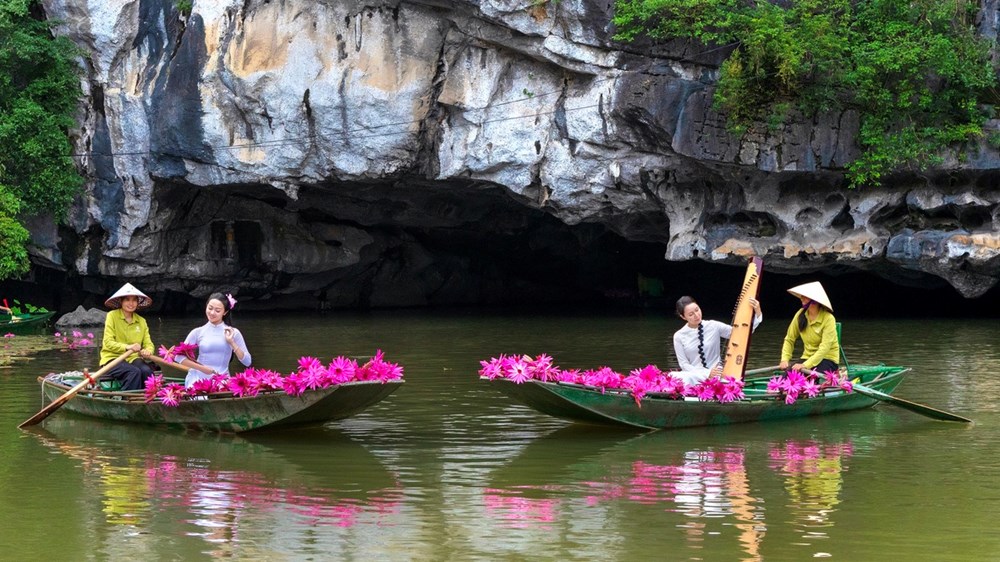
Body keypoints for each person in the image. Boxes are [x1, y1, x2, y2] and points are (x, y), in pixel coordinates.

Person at [673, 295, 762, 384]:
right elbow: (684, 364)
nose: (696, 315)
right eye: (691, 314)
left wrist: (757, 312)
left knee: (730, 381)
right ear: (683, 317)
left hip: (717, 373)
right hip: (694, 376)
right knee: (675, 376)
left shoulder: (713, 325)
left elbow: (741, 334)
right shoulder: (679, 336)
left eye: (697, 310)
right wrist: (706, 373)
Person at [175, 292, 252, 387]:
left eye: (217, 310)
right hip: (198, 379)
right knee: (200, 396)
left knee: (221, 391)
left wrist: (232, 342)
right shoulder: (197, 332)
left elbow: (247, 362)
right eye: (210, 308)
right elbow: (178, 357)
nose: (212, 313)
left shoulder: (233, 332)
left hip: (222, 380)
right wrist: (202, 368)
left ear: (225, 312)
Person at [100, 283, 156, 391]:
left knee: (146, 371)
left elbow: (148, 343)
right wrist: (127, 347)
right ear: (121, 301)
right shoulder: (112, 316)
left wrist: (148, 351)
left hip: (133, 358)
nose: (131, 303)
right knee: (133, 372)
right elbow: (108, 342)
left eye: (134, 300)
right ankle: (127, 400)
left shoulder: (142, 321)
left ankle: (148, 399)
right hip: (112, 358)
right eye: (127, 300)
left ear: (138, 302)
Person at [779, 281, 839, 374]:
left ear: (814, 300)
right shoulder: (800, 314)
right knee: (786, 378)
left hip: (827, 358)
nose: (801, 298)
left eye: (805, 296)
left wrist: (805, 365)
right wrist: (784, 359)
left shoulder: (828, 318)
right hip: (807, 357)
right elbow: (789, 339)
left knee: (809, 379)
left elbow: (824, 348)